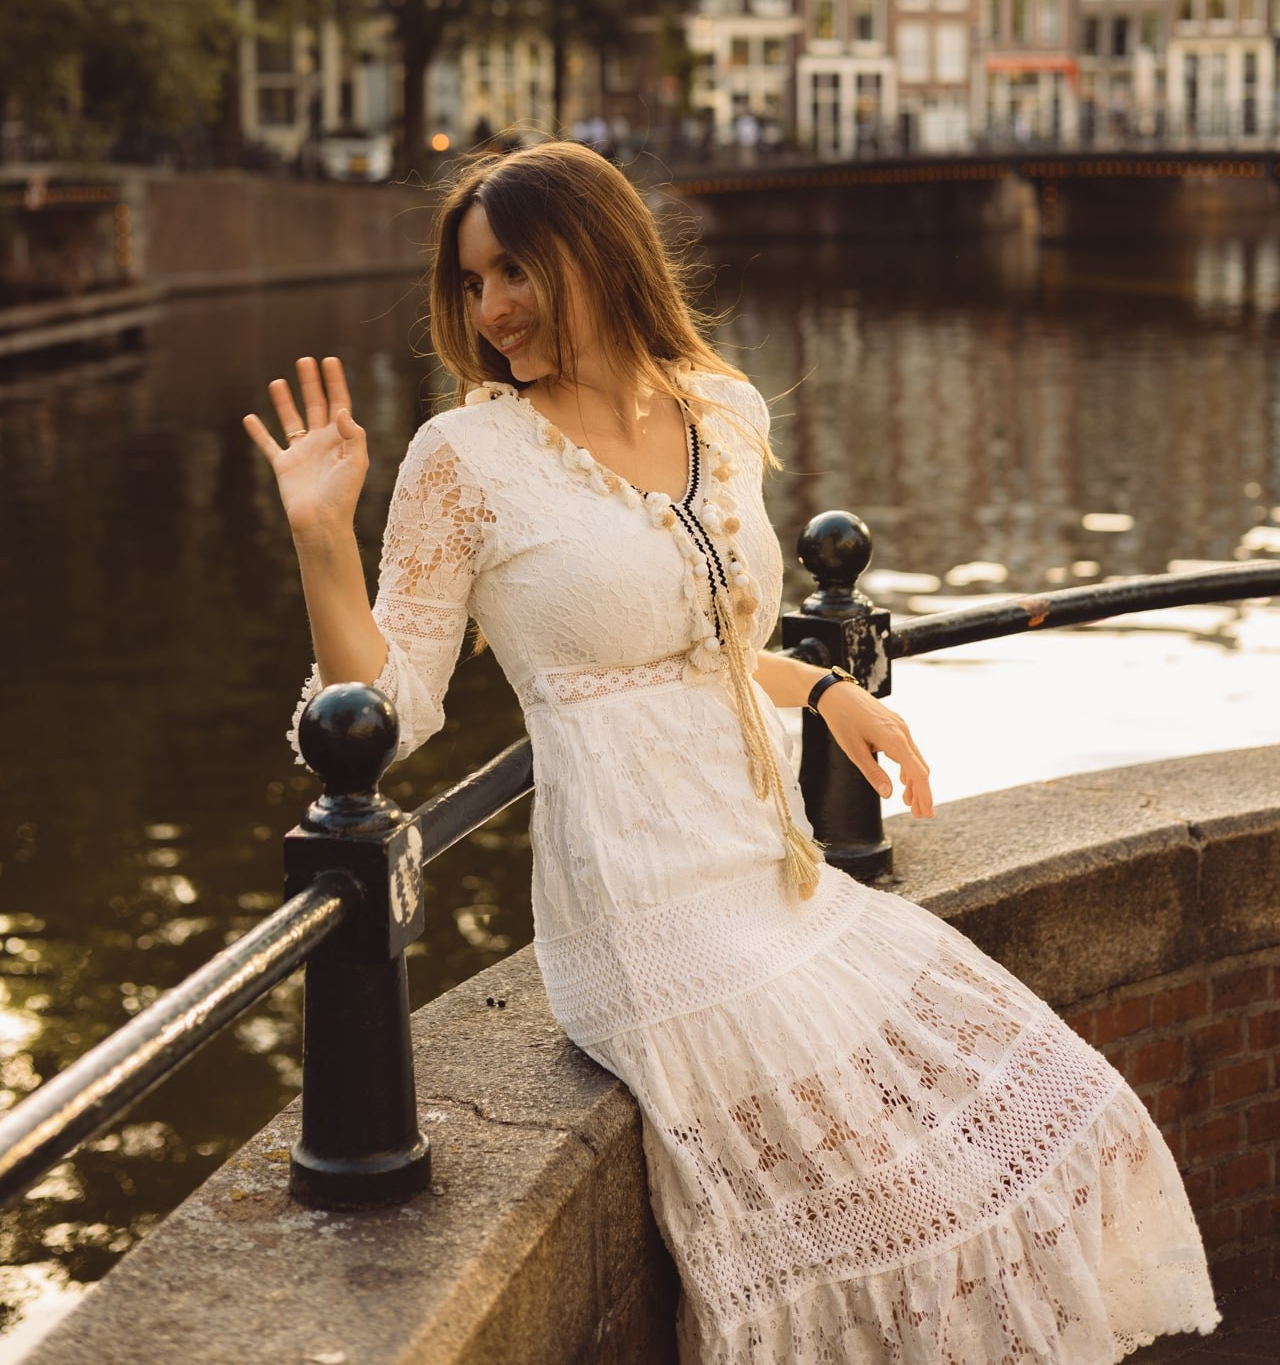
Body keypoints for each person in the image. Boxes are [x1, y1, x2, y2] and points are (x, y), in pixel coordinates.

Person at [244, 141, 1218, 1365]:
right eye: (474, 282)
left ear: (596, 255)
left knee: (1067, 1115)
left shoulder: (718, 406)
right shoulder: (465, 461)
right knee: (903, 1207)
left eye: (513, 273)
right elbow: (392, 705)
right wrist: (322, 536)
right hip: (644, 911)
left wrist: (821, 686)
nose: (490, 311)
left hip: (779, 874)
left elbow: (708, 638)